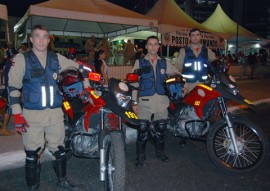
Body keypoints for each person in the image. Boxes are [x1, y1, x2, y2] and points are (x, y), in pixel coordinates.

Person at [8, 25, 89, 191]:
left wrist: (86, 87)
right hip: (32, 115)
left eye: (45, 36)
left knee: (59, 151)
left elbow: (80, 68)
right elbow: (12, 89)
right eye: (37, 36)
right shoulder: (22, 59)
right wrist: (17, 114)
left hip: (55, 114)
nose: (41, 40)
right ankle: (33, 187)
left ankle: (62, 181)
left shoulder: (56, 58)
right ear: (31, 39)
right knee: (32, 155)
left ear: (49, 39)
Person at [131, 36, 179, 167]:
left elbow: (176, 75)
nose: (153, 47)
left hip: (162, 102)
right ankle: (140, 156)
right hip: (144, 102)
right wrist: (134, 103)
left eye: (155, 44)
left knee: (162, 128)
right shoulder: (139, 63)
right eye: (150, 44)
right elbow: (134, 83)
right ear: (146, 46)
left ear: (159, 46)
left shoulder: (165, 62)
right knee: (142, 129)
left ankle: (160, 152)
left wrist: (182, 83)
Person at [176, 28, 216, 92]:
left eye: (197, 35)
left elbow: (215, 63)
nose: (195, 37)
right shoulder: (184, 51)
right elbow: (177, 67)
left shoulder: (207, 51)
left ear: (200, 36)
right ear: (190, 37)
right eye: (193, 35)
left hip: (204, 84)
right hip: (188, 86)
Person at [0, 45, 17, 136]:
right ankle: (3, 128)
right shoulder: (11, 64)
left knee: (10, 107)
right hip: (11, 87)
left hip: (9, 86)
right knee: (9, 107)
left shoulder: (7, 63)